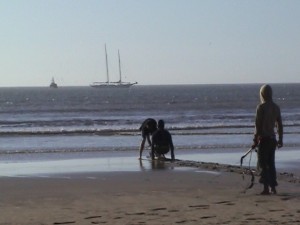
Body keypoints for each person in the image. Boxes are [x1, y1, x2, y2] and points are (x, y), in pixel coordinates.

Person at [252, 84, 283, 195]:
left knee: (263, 164)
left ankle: (266, 188)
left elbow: (258, 126)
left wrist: (255, 140)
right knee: (271, 163)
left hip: (264, 140)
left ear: (262, 94)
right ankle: (273, 187)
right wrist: (280, 139)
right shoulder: (276, 107)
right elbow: (279, 125)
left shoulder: (261, 107)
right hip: (272, 139)